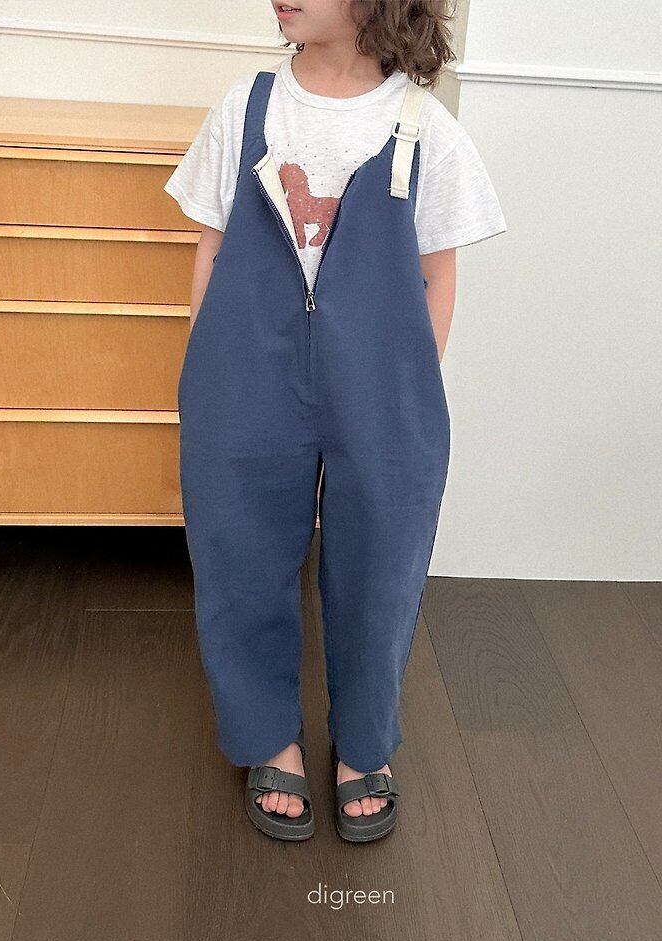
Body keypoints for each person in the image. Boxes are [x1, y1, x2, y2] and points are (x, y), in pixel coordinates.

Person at [163, 0, 507, 843]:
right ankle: (265, 734)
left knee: (381, 562)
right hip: (246, 369)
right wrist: (207, 364)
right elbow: (211, 244)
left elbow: (436, 273)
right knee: (239, 552)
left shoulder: (422, 127)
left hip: (381, 384)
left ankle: (363, 744)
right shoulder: (247, 108)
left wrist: (408, 382)